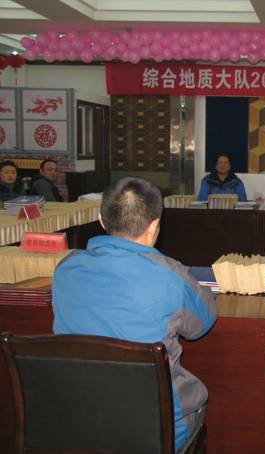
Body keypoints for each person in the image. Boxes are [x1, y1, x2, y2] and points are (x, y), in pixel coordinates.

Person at [52, 177, 217, 453]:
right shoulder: (170, 276)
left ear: (101, 220)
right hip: (154, 430)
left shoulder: (65, 269)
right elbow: (203, 322)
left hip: (78, 422)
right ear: (154, 226)